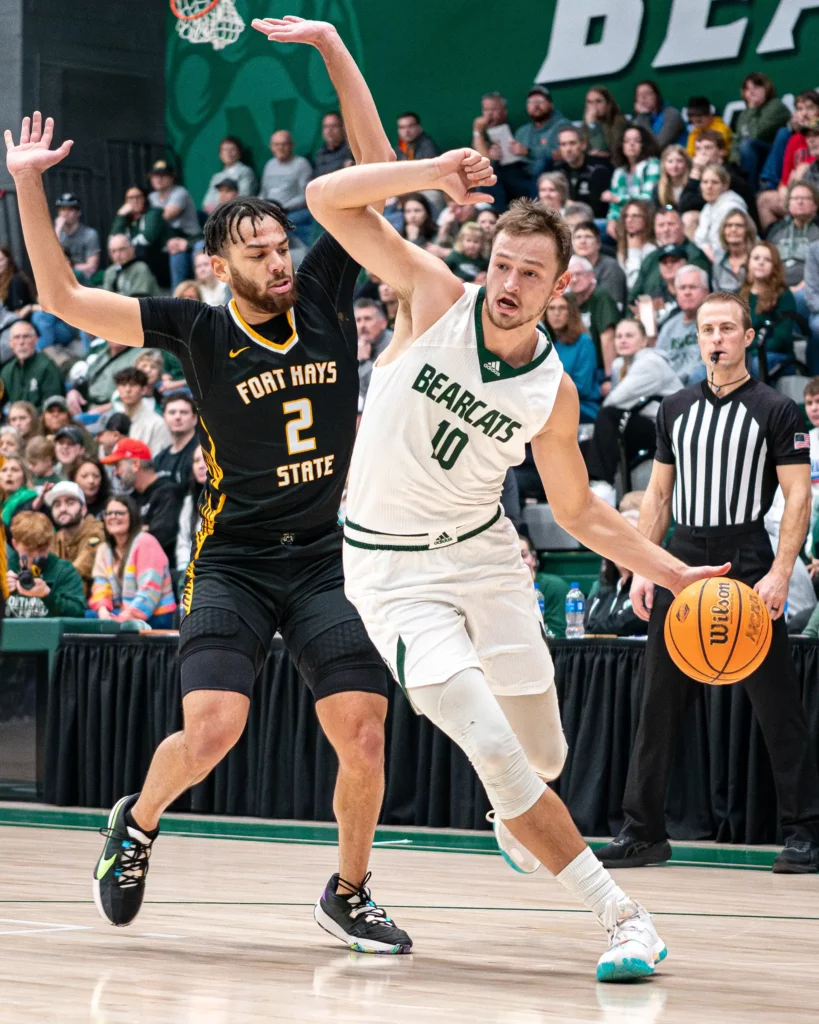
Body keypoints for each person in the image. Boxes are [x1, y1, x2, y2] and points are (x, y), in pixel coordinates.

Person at [4, 19, 411, 952]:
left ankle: (348, 890)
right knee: (214, 732)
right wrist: (28, 184)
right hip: (232, 563)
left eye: (282, 244)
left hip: (320, 561)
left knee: (364, 735)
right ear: (221, 265)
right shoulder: (194, 329)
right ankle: (135, 823)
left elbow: (374, 172)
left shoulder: (318, 289)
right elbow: (63, 300)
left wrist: (332, 46)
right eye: (259, 251)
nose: (279, 259)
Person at [307, 141, 731, 982]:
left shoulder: (552, 389)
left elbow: (575, 511)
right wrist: (430, 175)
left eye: (529, 274)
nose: (508, 284)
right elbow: (324, 199)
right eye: (501, 264)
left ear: (560, 286)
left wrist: (671, 570)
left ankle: (522, 814)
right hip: (391, 578)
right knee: (494, 747)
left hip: (486, 562)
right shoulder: (433, 297)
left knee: (543, 752)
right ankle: (624, 918)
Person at [595, 291, 819, 874]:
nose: (715, 338)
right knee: (657, 702)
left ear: (748, 337)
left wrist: (778, 571)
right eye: (705, 330)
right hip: (683, 556)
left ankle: (806, 831)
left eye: (726, 328)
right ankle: (643, 832)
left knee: (777, 703)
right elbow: (660, 494)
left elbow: (799, 492)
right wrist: (645, 566)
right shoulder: (674, 408)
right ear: (696, 339)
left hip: (747, 554)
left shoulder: (778, 409)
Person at [583, 319, 683, 506]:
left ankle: (603, 485)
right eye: (619, 336)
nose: (622, 340)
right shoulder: (620, 365)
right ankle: (589, 488)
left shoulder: (650, 362)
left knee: (608, 416)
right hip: (647, 422)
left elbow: (614, 401)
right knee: (589, 442)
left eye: (629, 336)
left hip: (668, 430)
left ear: (644, 341)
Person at [88, 494, 177, 627]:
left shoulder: (146, 542)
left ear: (132, 516)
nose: (113, 517)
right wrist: (103, 612)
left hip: (156, 614)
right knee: (86, 618)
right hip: (123, 612)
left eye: (119, 513)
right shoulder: (104, 550)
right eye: (109, 513)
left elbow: (149, 591)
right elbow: (100, 586)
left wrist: (122, 619)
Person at [100, 438, 181, 563]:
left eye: (118, 465)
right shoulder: (132, 498)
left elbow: (162, 536)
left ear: (135, 464)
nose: (115, 472)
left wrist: (133, 533)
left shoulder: (168, 492)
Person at [585, 493, 648, 637]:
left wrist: (596, 626)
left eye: (630, 536)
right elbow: (583, 623)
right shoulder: (603, 591)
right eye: (617, 536)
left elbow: (624, 624)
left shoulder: (653, 589)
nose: (622, 544)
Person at [756, 90, 819, 228]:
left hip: (814, 194)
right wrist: (788, 196)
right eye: (800, 109)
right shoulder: (794, 139)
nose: (804, 113)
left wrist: (806, 167)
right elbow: (785, 180)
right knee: (764, 200)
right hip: (796, 193)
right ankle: (774, 242)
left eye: (810, 107)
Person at [5, 510, 86, 618]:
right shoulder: (4, 567)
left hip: (50, 633)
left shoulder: (63, 571)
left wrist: (48, 595)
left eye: (41, 550)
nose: (35, 557)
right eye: (29, 552)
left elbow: (78, 613)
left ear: (49, 545)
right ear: (15, 544)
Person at [627, 206, 711, 306]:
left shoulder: (695, 255)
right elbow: (633, 297)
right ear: (655, 230)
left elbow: (700, 295)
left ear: (682, 226)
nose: (666, 229)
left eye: (671, 224)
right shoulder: (650, 258)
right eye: (661, 225)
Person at [679, 130, 757, 232]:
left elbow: (686, 204)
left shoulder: (731, 175)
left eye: (708, 148)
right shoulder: (704, 174)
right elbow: (683, 204)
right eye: (698, 149)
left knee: (690, 217)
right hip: (716, 223)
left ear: (722, 151)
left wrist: (696, 171)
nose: (702, 152)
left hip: (741, 228)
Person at [741, 242, 797, 377]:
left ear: (775, 266)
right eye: (756, 258)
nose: (761, 262)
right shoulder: (740, 294)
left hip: (776, 356)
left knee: (755, 363)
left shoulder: (784, 295)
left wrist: (749, 349)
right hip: (747, 352)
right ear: (748, 263)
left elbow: (781, 339)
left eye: (767, 260)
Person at [732, 72, 791, 192]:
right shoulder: (744, 114)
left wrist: (753, 109)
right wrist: (734, 158)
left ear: (767, 88)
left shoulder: (776, 106)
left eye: (756, 87)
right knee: (742, 149)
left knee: (746, 144)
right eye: (747, 89)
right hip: (752, 157)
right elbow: (736, 139)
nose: (751, 92)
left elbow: (756, 134)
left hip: (773, 153)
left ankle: (754, 190)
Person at [545, 293, 599, 422]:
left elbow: (582, 387)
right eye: (551, 308)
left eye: (562, 308)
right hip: (548, 403)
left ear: (571, 313)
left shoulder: (584, 342)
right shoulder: (544, 343)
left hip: (581, 406)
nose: (556, 313)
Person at [45, 479, 105, 596]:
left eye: (70, 503)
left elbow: (82, 568)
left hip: (95, 602)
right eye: (57, 504)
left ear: (83, 510)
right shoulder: (56, 537)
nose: (62, 509)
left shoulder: (96, 531)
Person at [148, 160, 201, 290]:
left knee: (177, 254)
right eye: (155, 175)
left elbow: (166, 215)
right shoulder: (152, 196)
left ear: (172, 178)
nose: (158, 179)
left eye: (163, 175)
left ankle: (178, 298)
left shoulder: (180, 192)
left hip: (189, 238)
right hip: (167, 240)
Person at [110, 185, 174, 288]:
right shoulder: (126, 220)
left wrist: (127, 248)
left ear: (144, 199)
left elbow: (147, 238)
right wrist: (120, 215)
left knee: (140, 249)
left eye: (138, 197)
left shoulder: (154, 213)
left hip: (160, 261)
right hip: (135, 261)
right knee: (118, 253)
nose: (134, 201)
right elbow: (114, 240)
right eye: (130, 198)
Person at [655, 265, 710, 384]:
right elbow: (658, 362)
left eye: (693, 287)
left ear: (706, 292)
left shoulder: (715, 321)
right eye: (682, 288)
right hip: (670, 387)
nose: (687, 292)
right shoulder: (669, 326)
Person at [604, 126, 660, 239]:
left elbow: (647, 198)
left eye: (637, 141)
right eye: (627, 141)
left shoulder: (652, 164)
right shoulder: (619, 171)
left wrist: (619, 199)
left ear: (645, 144)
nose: (631, 144)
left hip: (648, 216)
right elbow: (614, 206)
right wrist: (611, 220)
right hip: (624, 219)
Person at [259, 130, 314, 244]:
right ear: (271, 147)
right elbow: (263, 193)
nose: (281, 148)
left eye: (284, 144)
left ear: (291, 145)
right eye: (277, 145)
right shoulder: (269, 165)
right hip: (269, 211)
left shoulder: (301, 164)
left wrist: (283, 208)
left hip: (292, 212)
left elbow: (306, 195)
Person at [567, 255, 618, 374]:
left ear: (591, 275)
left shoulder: (600, 296)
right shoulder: (569, 299)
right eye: (570, 276)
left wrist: (609, 376)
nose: (574, 279)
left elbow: (608, 338)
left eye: (579, 274)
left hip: (599, 370)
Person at [766, 182, 819, 288]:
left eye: (805, 198)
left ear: (815, 205)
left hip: (809, 288)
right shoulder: (775, 230)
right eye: (795, 198)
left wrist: (799, 288)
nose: (800, 202)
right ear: (788, 204)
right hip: (776, 288)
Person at [552, 126, 612, 220]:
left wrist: (573, 207)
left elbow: (599, 209)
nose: (568, 149)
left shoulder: (598, 169)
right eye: (563, 144)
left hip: (593, 223)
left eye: (572, 143)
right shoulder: (557, 170)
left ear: (583, 144)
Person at [0, 320, 63, 409]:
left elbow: (52, 406)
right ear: (11, 343)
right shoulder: (7, 371)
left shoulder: (46, 366)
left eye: (26, 337)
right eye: (17, 337)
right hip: (15, 420)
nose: (21, 342)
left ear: (36, 339)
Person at [110, 367, 172, 456]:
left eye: (133, 385)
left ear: (144, 389)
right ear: (117, 389)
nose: (128, 390)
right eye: (123, 385)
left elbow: (159, 459)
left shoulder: (157, 423)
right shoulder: (112, 421)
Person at [518, 531, 569, 639]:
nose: (519, 561)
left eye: (523, 555)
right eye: (513, 558)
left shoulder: (555, 587)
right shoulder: (498, 591)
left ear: (534, 558)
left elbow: (556, 633)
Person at [692, 163, 747, 261]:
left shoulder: (731, 207)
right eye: (705, 182)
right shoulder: (708, 206)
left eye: (715, 182)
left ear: (725, 185)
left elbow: (721, 247)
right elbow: (699, 239)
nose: (709, 186)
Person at [513, 85, 571, 177]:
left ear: (551, 105)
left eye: (540, 101)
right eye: (531, 102)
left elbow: (563, 154)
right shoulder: (522, 131)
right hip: (520, 176)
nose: (536, 105)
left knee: (542, 161)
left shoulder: (562, 126)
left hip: (547, 175)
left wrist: (529, 152)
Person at [571, 221, 626, 311]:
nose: (582, 241)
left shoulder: (610, 267)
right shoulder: (569, 266)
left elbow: (613, 306)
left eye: (588, 237)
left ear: (598, 243)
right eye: (578, 237)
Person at [201, 136, 259, 213]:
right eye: (224, 150)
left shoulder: (245, 171)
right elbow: (206, 203)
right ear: (220, 155)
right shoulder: (216, 177)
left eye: (232, 149)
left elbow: (244, 198)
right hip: (217, 217)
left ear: (239, 153)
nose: (228, 153)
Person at [153, 394, 198, 488]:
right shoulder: (159, 459)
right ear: (164, 418)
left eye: (183, 412)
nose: (177, 417)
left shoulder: (203, 452)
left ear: (194, 418)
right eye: (172, 412)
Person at [176, 445, 207, 573]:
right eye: (196, 461)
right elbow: (183, 541)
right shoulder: (190, 501)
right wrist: (185, 569)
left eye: (205, 459)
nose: (200, 466)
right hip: (192, 572)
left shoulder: (230, 500)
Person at [54, 192, 100, 278]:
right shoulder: (57, 233)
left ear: (78, 212)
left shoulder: (89, 234)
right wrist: (57, 231)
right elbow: (50, 259)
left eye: (70, 210)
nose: (65, 213)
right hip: (61, 277)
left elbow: (92, 267)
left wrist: (69, 268)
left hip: (83, 279)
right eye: (63, 209)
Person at [355, 298, 393, 403]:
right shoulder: (353, 344)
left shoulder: (393, 346)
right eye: (358, 320)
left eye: (367, 319)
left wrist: (363, 362)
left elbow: (380, 390)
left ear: (383, 323)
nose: (362, 325)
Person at [614, 200, 656, 292]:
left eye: (635, 216)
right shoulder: (623, 246)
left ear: (646, 219)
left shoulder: (652, 248)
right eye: (626, 216)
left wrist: (634, 251)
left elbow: (633, 283)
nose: (629, 220)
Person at [711, 209, 757, 293]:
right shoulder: (718, 261)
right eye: (728, 225)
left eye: (739, 225)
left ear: (747, 230)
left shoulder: (757, 258)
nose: (733, 229)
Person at [631, 81, 685, 152]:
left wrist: (643, 117)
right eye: (639, 95)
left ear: (656, 96)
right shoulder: (636, 121)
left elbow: (658, 145)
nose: (643, 98)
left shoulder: (671, 114)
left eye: (647, 94)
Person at [583, 86, 626, 157]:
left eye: (598, 101)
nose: (594, 106)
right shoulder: (585, 125)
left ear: (608, 104)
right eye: (589, 102)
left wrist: (592, 125)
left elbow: (601, 149)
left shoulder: (619, 122)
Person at [0, 455, 37, 526]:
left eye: (14, 470)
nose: (9, 474)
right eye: (4, 470)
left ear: (24, 477)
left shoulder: (32, 501)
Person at [0, 245, 35, 314]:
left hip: (20, 322)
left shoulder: (15, 280)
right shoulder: (3, 282)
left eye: (1, 260)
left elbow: (19, 312)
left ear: (8, 259)